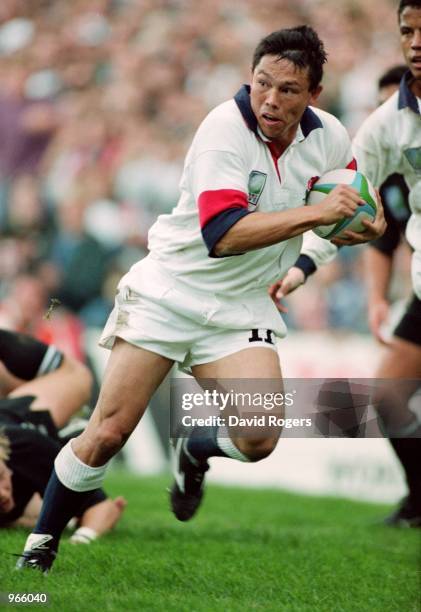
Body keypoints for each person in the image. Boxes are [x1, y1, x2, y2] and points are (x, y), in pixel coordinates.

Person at [17, 26, 385, 574]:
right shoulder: (223, 128)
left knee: (260, 436)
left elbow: (347, 211)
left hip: (239, 308)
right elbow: (223, 234)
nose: (270, 99)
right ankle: (36, 556)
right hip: (171, 291)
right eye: (263, 83)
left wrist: (363, 227)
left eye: (288, 90)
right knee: (108, 432)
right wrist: (319, 217)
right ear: (250, 77)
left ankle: (195, 448)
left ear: (314, 94)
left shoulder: (328, 136)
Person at [273, 1, 421, 527]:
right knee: (388, 397)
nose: (417, 41)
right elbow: (348, 200)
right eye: (408, 30)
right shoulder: (387, 126)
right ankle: (420, 500)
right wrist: (303, 267)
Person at [0, 328, 126, 547]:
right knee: (44, 514)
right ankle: (65, 437)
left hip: (24, 416)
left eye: (1, 477)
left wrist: (82, 538)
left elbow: (101, 508)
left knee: (77, 376)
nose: (2, 493)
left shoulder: (24, 446)